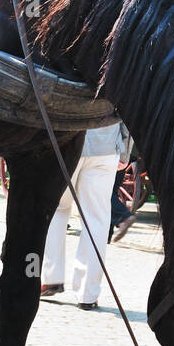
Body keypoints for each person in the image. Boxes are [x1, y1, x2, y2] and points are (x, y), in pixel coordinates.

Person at [41, 122, 126, 309]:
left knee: (56, 209)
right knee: (96, 220)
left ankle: (51, 278)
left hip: (67, 141)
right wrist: (125, 149)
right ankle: (88, 294)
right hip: (107, 144)